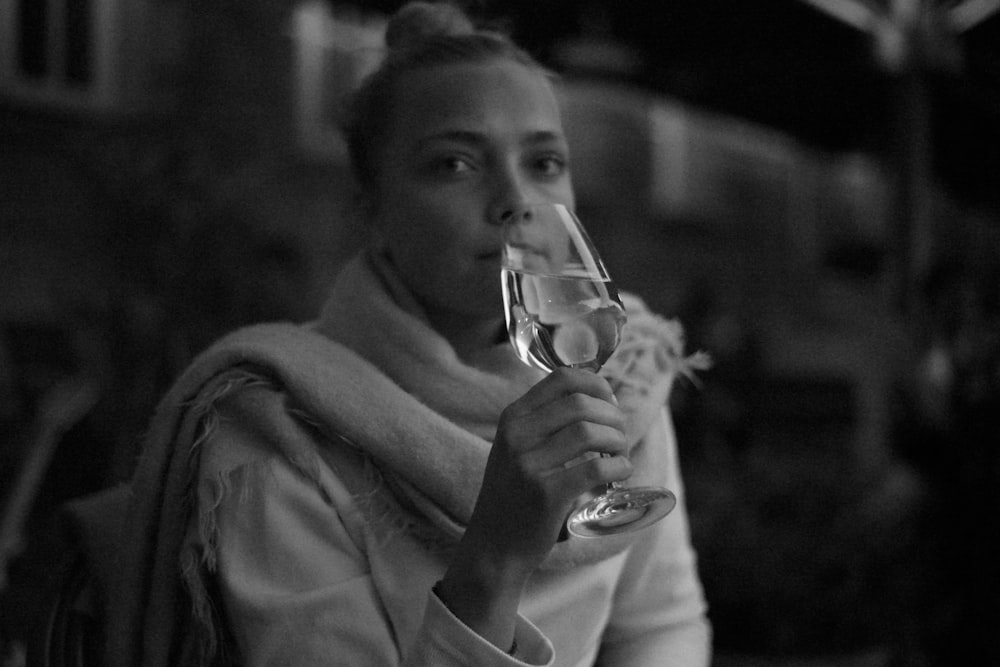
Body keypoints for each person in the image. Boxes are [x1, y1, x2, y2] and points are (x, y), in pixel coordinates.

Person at [106, 2, 712, 665]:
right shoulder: (278, 425)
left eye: (543, 163)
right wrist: (496, 556)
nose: (514, 198)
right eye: (454, 163)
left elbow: (661, 626)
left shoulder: (623, 382)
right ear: (372, 208)